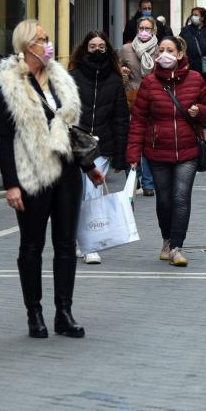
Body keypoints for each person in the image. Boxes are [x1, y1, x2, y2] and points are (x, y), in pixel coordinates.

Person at [0, 20, 106, 339]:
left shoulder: (60, 79)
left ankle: (64, 313)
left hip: (67, 172)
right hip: (32, 175)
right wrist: (11, 184)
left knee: (66, 244)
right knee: (32, 245)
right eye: (43, 40)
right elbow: (4, 139)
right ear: (28, 46)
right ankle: (35, 313)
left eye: (47, 39)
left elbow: (69, 130)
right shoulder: (8, 85)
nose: (48, 44)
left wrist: (88, 166)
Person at [126, 35, 206, 268]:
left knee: (181, 197)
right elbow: (138, 121)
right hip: (157, 152)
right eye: (161, 51)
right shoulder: (149, 83)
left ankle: (177, 247)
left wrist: (200, 111)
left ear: (179, 54)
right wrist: (133, 155)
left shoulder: (195, 79)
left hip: (188, 151)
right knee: (164, 200)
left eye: (170, 50)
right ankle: (166, 239)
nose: (164, 54)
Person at [69, 30, 130, 264]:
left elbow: (121, 118)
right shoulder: (73, 77)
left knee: (93, 193)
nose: (97, 50)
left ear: (108, 49)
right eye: (93, 46)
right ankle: (79, 239)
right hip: (77, 143)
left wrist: (121, 154)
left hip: (103, 145)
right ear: (85, 48)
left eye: (101, 47)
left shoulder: (115, 80)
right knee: (78, 194)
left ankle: (91, 245)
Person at [119, 15, 160, 196]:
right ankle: (133, 179)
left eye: (147, 28)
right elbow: (118, 69)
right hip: (131, 97)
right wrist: (122, 71)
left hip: (152, 99)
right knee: (132, 141)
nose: (144, 31)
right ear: (137, 30)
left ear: (153, 30)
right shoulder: (126, 49)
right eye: (141, 28)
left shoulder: (159, 49)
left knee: (149, 143)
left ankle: (149, 183)